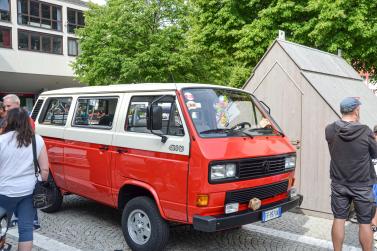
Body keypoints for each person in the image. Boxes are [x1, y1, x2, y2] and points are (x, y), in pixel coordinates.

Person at [325, 97, 377, 251]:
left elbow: (334, 149)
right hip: (362, 184)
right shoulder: (365, 131)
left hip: (339, 183)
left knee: (339, 219)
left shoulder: (329, 129)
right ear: (356, 110)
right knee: (365, 222)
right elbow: (375, 154)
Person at [0, 108, 49, 251]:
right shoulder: (37, 140)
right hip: (28, 192)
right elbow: (45, 171)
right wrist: (36, 181)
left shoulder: (1, 141)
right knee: (26, 230)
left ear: (8, 121)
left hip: (3, 191)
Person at [2, 94, 39, 229]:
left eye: (8, 106)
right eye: (5, 106)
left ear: (17, 105)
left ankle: (23, 219)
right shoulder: (7, 119)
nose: (6, 109)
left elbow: (28, 141)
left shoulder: (27, 121)